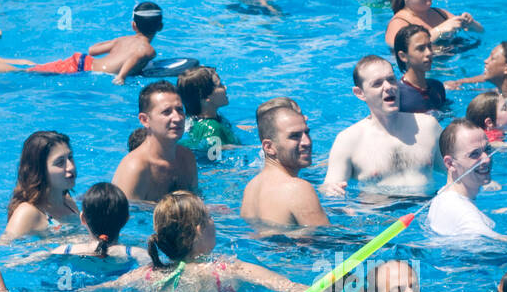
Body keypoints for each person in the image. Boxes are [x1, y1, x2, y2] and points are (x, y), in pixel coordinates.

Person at [97, 190, 301, 292]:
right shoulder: (230, 268)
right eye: (210, 218)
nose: (214, 222)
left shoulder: (145, 275)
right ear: (198, 230)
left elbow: (100, 291)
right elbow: (291, 288)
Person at [0, 0, 164, 84]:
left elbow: (93, 49)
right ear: (160, 27)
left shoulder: (124, 39)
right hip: (81, 68)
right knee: (26, 73)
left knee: (36, 66)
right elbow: (137, 56)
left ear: (133, 25)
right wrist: (122, 76)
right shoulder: (148, 49)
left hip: (83, 60)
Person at [322, 55, 443, 196]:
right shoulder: (348, 140)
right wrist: (331, 190)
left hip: (425, 209)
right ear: (360, 93)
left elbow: (453, 171)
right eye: (377, 83)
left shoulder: (428, 127)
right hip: (379, 215)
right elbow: (328, 189)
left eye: (391, 80)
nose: (388, 87)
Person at [240, 97, 328, 228]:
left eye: (307, 133)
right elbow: (329, 242)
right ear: (269, 147)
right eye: (294, 136)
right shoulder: (298, 189)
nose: (307, 142)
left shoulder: (251, 188)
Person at [13, 183, 148, 267]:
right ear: (126, 219)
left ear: (82, 219)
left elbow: (28, 260)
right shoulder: (136, 253)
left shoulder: (65, 250)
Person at [111, 82, 198, 204]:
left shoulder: (187, 158)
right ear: (145, 120)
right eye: (167, 112)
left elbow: (196, 204)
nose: (178, 118)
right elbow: (126, 220)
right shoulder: (135, 169)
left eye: (179, 110)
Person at [425, 120, 506, 241]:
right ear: (450, 163)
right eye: (474, 154)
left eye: (487, 149)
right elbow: (502, 245)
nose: (487, 159)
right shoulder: (469, 218)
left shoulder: (443, 197)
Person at [1, 130, 80, 240]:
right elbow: (3, 251)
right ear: (40, 171)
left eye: (70, 157)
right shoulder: (28, 212)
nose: (71, 167)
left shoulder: (67, 202)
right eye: (60, 162)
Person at [177, 66, 240, 155]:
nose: (225, 87)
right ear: (206, 97)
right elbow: (216, 161)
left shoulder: (195, 120)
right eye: (219, 85)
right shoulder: (213, 128)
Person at [393, 24, 447, 113]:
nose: (429, 53)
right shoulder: (397, 95)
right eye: (421, 48)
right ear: (403, 56)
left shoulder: (437, 87)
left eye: (429, 46)